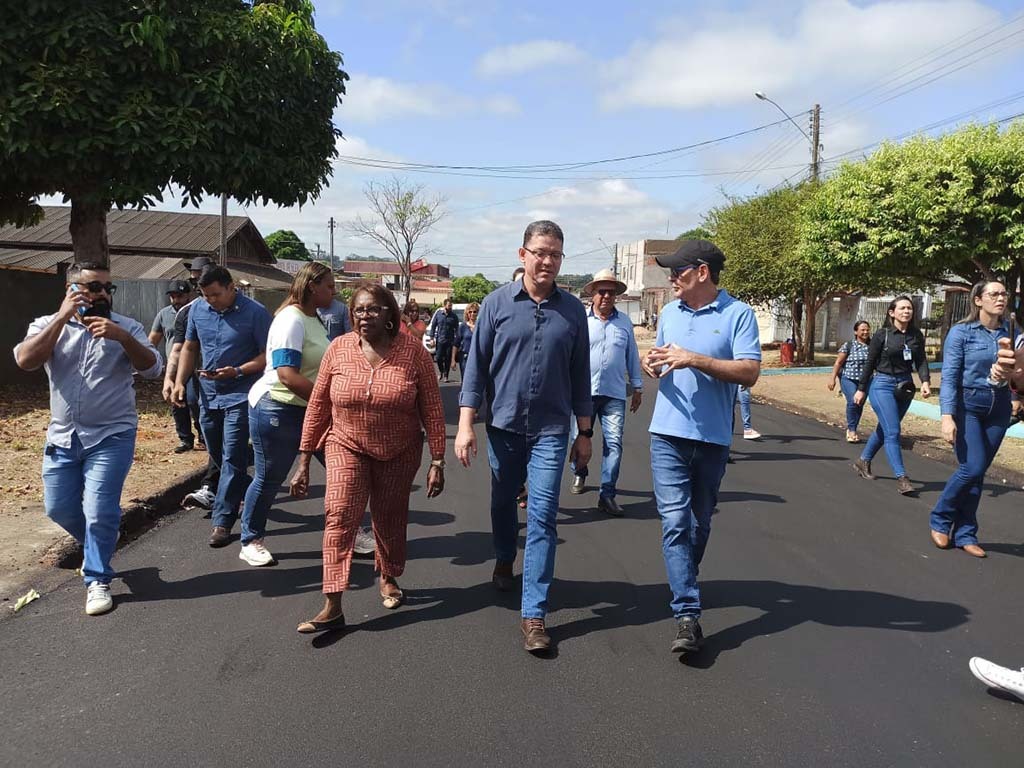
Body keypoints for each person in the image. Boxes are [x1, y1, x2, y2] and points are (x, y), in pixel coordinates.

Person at [456, 220, 592, 654]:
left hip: (552, 430)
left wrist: (584, 432)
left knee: (543, 515)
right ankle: (502, 555)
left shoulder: (572, 312)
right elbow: (475, 369)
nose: (547, 260)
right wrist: (464, 425)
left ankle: (534, 613)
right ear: (523, 254)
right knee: (502, 502)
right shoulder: (496, 305)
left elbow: (580, 378)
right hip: (504, 427)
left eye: (555, 254)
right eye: (540, 252)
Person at [292, 283, 446, 633]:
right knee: (339, 515)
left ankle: (389, 576)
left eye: (373, 309)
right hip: (346, 444)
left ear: (389, 312)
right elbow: (318, 405)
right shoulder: (339, 350)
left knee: (389, 517)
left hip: (399, 450)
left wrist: (438, 460)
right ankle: (332, 602)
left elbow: (433, 409)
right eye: (359, 310)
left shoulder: (413, 354)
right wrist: (304, 459)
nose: (365, 316)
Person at [14, 262, 161, 615]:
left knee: (98, 510)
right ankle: (102, 542)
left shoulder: (127, 327)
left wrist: (122, 338)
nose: (102, 294)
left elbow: (154, 369)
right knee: (59, 507)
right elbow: (25, 360)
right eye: (94, 286)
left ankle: (97, 578)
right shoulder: (47, 325)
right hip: (63, 437)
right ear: (71, 289)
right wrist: (62, 318)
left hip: (112, 434)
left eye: (108, 288)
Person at [640, 239, 761, 654]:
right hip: (667, 434)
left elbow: (749, 372)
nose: (672, 278)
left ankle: (683, 577)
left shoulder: (738, 315)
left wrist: (695, 359)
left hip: (711, 438)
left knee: (699, 522)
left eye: (679, 271)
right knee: (674, 522)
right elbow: (665, 357)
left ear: (703, 272)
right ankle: (687, 614)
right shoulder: (669, 312)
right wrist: (652, 364)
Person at [236, 263, 334, 566]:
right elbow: (287, 375)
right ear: (312, 287)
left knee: (343, 471)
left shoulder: (312, 318)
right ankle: (250, 539)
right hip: (277, 407)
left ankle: (348, 530)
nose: (335, 291)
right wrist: (330, 403)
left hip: (309, 408)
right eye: (329, 286)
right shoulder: (290, 320)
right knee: (270, 476)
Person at [172, 266, 272, 547]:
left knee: (231, 456)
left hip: (241, 394)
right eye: (205, 295)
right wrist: (181, 381)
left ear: (231, 288)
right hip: (208, 394)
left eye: (215, 294)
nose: (210, 300)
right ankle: (242, 485)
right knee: (218, 453)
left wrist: (238, 371)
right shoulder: (197, 311)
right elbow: (190, 347)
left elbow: (268, 355)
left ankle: (223, 521)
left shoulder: (256, 313)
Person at [929, 281, 1013, 558]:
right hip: (969, 406)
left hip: (998, 408)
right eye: (993, 294)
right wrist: (947, 416)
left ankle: (966, 533)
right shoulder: (961, 333)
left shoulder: (1011, 333)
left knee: (978, 474)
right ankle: (940, 518)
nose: (1000, 298)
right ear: (978, 300)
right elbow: (950, 377)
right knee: (972, 467)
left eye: (1003, 294)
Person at [569, 268, 643, 517]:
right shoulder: (581, 320)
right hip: (583, 393)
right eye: (602, 292)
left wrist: (638, 386)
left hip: (613, 393)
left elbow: (632, 355)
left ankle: (607, 494)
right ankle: (579, 472)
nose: (607, 297)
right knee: (577, 439)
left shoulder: (624, 324)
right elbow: (570, 355)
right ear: (593, 294)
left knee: (614, 443)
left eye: (611, 292)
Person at [852, 296, 932, 495]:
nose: (906, 311)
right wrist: (861, 388)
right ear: (892, 312)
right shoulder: (882, 334)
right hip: (882, 384)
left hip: (905, 386)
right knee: (893, 430)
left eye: (910, 308)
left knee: (886, 427)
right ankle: (902, 478)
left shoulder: (916, 335)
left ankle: (863, 461)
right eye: (902, 308)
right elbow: (869, 362)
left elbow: (921, 360)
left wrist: (925, 382)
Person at [164, 256, 218, 510]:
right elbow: (180, 349)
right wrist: (174, 380)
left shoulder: (244, 308)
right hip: (201, 381)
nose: (198, 279)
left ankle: (216, 486)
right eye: (197, 277)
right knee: (208, 429)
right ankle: (220, 485)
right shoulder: (188, 313)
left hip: (235, 387)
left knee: (224, 440)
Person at [151, 279, 201, 453]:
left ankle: (203, 436)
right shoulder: (164, 315)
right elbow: (153, 340)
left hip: (193, 366)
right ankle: (185, 439)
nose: (175, 300)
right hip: (173, 365)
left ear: (188, 295)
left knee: (195, 402)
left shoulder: (194, 312)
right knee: (177, 403)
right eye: (172, 296)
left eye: (179, 296)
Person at [828, 320, 872, 442]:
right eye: (862, 329)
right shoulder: (849, 345)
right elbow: (838, 363)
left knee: (860, 404)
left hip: (865, 380)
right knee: (853, 402)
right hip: (849, 378)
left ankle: (853, 427)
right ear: (856, 331)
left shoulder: (873, 346)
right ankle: (851, 430)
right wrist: (832, 378)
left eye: (867, 329)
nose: (865, 332)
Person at [428, 298, 460, 382]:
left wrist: (457, 340)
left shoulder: (454, 316)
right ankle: (441, 371)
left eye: (451, 305)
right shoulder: (439, 314)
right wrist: (432, 338)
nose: (450, 307)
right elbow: (433, 326)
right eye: (449, 305)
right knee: (438, 357)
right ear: (444, 305)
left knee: (447, 358)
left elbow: (457, 329)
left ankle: (446, 375)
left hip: (450, 341)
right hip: (440, 340)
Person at [451, 301, 479, 381]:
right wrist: (453, 360)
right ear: (467, 313)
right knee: (465, 379)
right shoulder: (463, 327)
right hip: (465, 357)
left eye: (474, 312)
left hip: (477, 357)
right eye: (470, 312)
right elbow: (456, 344)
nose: (472, 314)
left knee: (477, 379)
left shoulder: (481, 326)